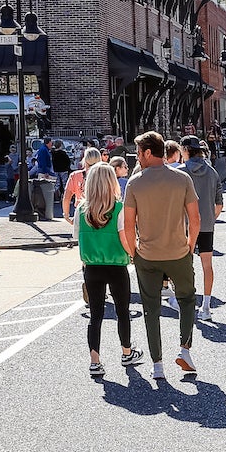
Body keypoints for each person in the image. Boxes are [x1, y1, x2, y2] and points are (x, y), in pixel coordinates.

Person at [123, 131, 200, 379]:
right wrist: (190, 245)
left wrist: (134, 252)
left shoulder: (134, 183)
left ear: (147, 153)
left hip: (147, 253)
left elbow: (127, 225)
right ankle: (184, 349)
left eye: (138, 153)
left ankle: (158, 365)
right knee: (187, 299)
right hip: (178, 251)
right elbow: (195, 219)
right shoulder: (182, 178)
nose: (137, 158)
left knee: (151, 308)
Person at [77, 162, 143, 378]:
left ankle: (95, 361)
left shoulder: (81, 210)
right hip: (116, 265)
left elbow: (77, 238)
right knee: (122, 311)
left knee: (95, 315)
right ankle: (126, 352)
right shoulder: (118, 209)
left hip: (92, 266)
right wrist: (133, 254)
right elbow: (125, 238)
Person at [177, 136, 224, 321]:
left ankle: (184, 303)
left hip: (184, 225)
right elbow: (218, 203)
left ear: (185, 149)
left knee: (183, 265)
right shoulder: (212, 172)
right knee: (207, 265)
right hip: (206, 224)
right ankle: (206, 306)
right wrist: (211, 219)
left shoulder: (180, 172)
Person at [63, 148, 103, 226]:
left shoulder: (75, 176)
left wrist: (66, 215)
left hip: (81, 212)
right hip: (101, 213)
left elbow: (67, 197)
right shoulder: (104, 175)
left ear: (85, 160)